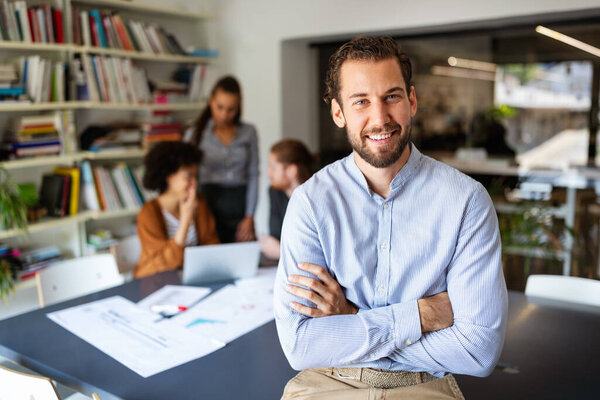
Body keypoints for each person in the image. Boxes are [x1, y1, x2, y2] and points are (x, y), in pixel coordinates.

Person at [274, 36, 508, 399]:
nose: (380, 118)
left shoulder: (466, 201)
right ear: (339, 113)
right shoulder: (310, 202)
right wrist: (421, 316)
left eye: (392, 97)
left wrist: (351, 320)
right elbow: (300, 345)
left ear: (411, 100)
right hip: (328, 381)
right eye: (361, 101)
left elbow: (478, 350)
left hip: (423, 385)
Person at [184, 76, 258, 243]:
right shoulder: (195, 134)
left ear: (238, 108)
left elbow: (253, 175)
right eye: (220, 107)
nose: (224, 114)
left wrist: (249, 216)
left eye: (231, 109)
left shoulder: (248, 132)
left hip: (239, 204)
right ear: (211, 102)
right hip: (207, 202)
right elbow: (186, 175)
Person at [134, 141, 219, 278]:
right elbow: (163, 263)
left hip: (195, 276)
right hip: (157, 281)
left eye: (195, 177)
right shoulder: (148, 213)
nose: (194, 183)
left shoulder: (199, 203)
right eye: (188, 176)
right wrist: (185, 220)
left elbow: (211, 244)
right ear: (168, 176)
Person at [259, 139, 314, 260]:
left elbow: (314, 251)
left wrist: (280, 251)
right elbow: (276, 235)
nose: (269, 173)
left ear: (291, 171)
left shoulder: (316, 197)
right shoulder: (274, 192)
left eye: (273, 168)